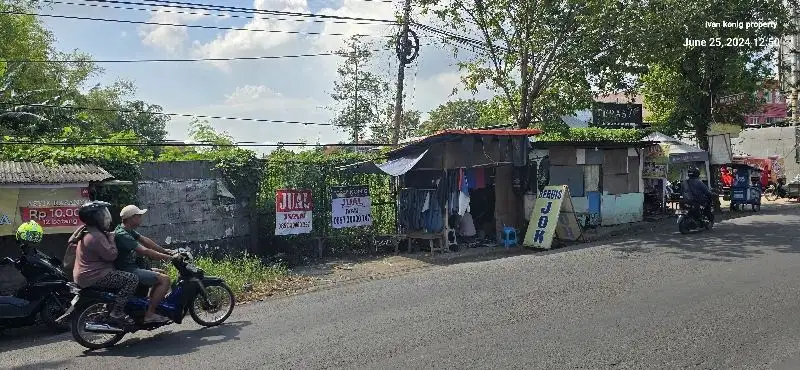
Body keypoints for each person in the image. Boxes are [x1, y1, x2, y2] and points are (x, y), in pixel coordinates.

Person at [73, 201, 137, 326]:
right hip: (94, 276)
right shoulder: (96, 236)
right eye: (103, 215)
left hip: (86, 275)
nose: (107, 218)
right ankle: (117, 312)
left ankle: (110, 309)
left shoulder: (89, 231)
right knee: (131, 279)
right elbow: (111, 256)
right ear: (95, 218)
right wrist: (112, 239)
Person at [114, 205, 178, 324]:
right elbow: (145, 251)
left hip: (132, 267)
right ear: (132, 218)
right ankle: (150, 315)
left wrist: (165, 250)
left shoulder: (127, 230)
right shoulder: (122, 234)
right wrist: (168, 258)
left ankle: (150, 304)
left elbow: (145, 240)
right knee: (165, 280)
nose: (141, 219)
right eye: (139, 216)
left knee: (161, 273)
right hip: (129, 270)